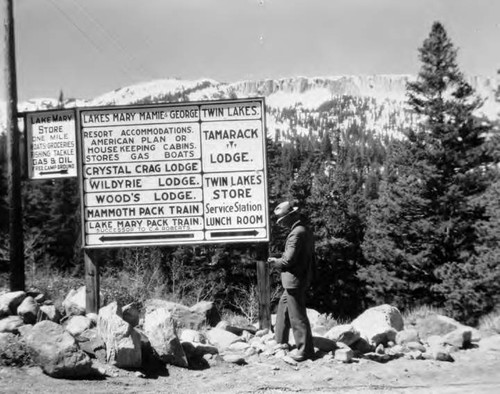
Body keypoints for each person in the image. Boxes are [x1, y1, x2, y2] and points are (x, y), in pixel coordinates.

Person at [267, 200, 315, 361]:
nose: (281, 224)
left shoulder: (296, 233)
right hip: (299, 278)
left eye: (282, 221)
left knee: (297, 316)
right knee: (283, 307)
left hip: (294, 280)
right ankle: (280, 340)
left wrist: (273, 262)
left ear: (290, 217)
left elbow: (288, 260)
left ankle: (305, 350)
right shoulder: (304, 230)